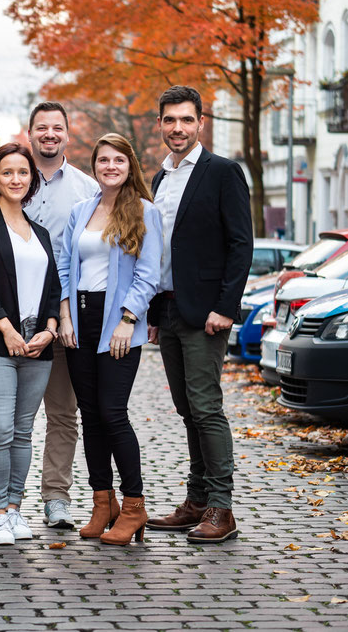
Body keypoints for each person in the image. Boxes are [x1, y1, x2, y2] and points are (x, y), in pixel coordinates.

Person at [0, 102, 98, 530]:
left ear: (68, 134)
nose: (49, 134)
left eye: (57, 128)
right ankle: (5, 504)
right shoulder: (5, 189)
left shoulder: (87, 188)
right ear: (30, 134)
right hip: (4, 329)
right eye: (41, 128)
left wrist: (59, 320)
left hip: (61, 323)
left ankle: (55, 498)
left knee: (63, 415)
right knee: (7, 422)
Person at [145, 86, 253, 544]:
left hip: (206, 314)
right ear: (160, 124)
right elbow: (157, 252)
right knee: (187, 410)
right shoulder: (159, 179)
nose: (178, 128)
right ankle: (194, 501)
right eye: (170, 120)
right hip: (167, 308)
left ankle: (221, 508)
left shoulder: (223, 172)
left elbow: (240, 244)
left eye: (186, 120)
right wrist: (151, 309)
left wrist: (225, 308)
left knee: (207, 409)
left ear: (200, 123)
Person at [57, 133, 162, 545]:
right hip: (80, 320)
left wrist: (128, 319)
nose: (110, 167)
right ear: (95, 165)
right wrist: (65, 315)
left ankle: (134, 505)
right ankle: (103, 502)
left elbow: (149, 273)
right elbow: (65, 266)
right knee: (89, 414)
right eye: (103, 160)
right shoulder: (81, 210)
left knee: (113, 411)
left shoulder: (144, 212)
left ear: (129, 165)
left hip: (118, 321)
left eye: (119, 160)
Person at [0, 143, 61, 546]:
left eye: (23, 172)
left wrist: (51, 330)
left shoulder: (40, 233)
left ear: (31, 180)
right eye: (7, 173)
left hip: (38, 346)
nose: (16, 179)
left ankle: (17, 508)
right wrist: (6, 329)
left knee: (23, 432)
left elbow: (54, 286)